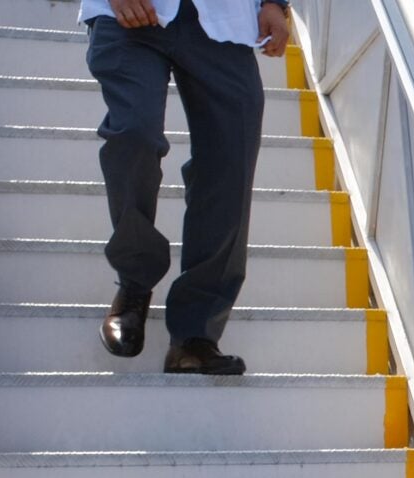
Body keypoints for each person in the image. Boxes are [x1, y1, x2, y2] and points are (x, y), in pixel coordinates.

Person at [81, 0, 289, 374]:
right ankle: (134, 285)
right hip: (131, 14)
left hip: (226, 18)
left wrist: (275, 3)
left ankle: (195, 334)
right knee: (133, 134)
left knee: (230, 161)